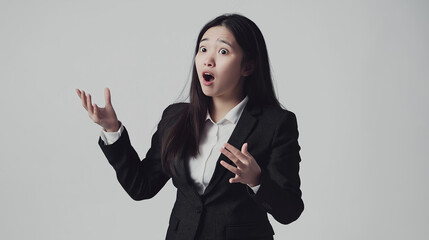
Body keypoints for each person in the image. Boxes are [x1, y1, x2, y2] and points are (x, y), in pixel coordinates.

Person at [76, 13, 303, 240]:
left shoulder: (275, 124)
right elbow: (141, 186)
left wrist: (257, 180)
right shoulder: (175, 118)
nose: (208, 60)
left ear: (248, 66)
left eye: (223, 51)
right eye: (203, 49)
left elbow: (290, 211)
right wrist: (112, 130)